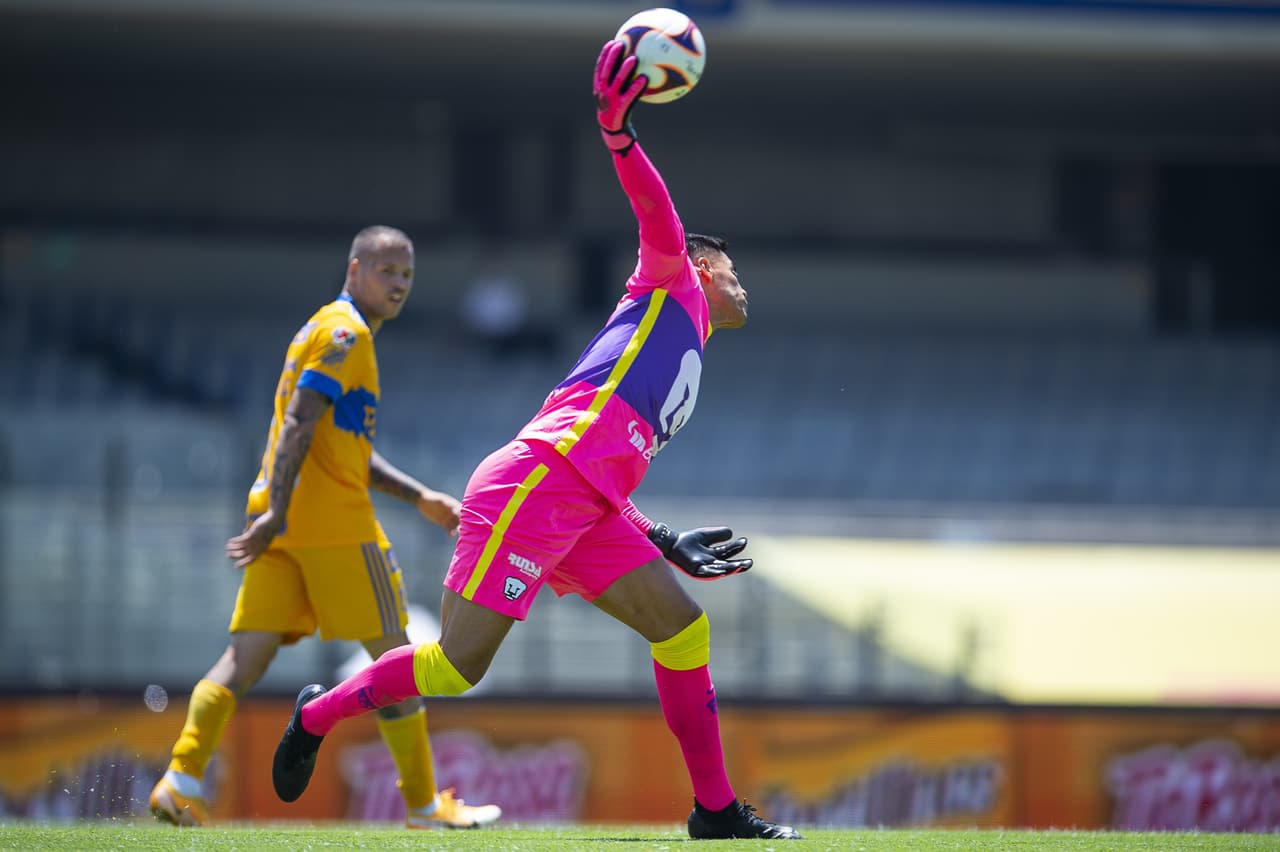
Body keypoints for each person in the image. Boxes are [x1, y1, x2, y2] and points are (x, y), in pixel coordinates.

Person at [270, 44, 802, 841]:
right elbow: (657, 215)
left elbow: (607, 465)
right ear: (699, 264)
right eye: (729, 264)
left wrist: (660, 538)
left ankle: (715, 811)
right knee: (456, 665)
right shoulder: (672, 281)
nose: (739, 278)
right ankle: (318, 714)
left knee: (684, 629)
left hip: (583, 501)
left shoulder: (688, 333)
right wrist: (620, 134)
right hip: (537, 483)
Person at [148, 226, 502, 831]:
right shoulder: (347, 335)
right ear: (354, 267)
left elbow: (344, 449)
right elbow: (299, 424)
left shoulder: (319, 330)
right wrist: (279, 513)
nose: (398, 284)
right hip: (334, 528)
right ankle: (422, 805)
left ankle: (179, 778)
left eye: (408, 275)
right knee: (398, 660)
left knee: (244, 657)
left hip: (283, 524)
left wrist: (419, 497)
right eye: (387, 269)